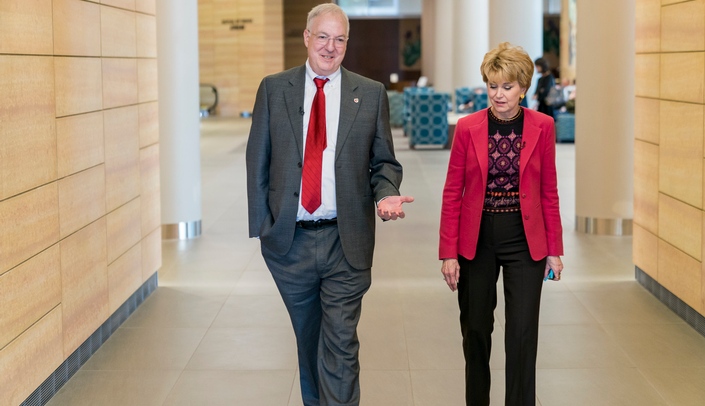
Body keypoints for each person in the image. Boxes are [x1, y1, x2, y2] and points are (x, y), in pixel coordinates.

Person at [246, 4, 414, 405]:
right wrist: (266, 230)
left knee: (339, 347)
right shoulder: (274, 89)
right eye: (322, 36)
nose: (330, 46)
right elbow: (258, 159)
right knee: (309, 345)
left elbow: (384, 162)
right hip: (290, 244)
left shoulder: (370, 93)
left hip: (345, 240)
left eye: (339, 39)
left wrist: (387, 191)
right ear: (307, 37)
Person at [439, 42, 564, 406]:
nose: (499, 94)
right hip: (476, 240)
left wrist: (554, 250)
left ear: (523, 87)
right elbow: (452, 193)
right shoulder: (467, 128)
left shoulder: (543, 126)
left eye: (507, 86)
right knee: (476, 331)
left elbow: (549, 192)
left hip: (525, 240)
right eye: (493, 86)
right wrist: (448, 253)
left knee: (523, 334)